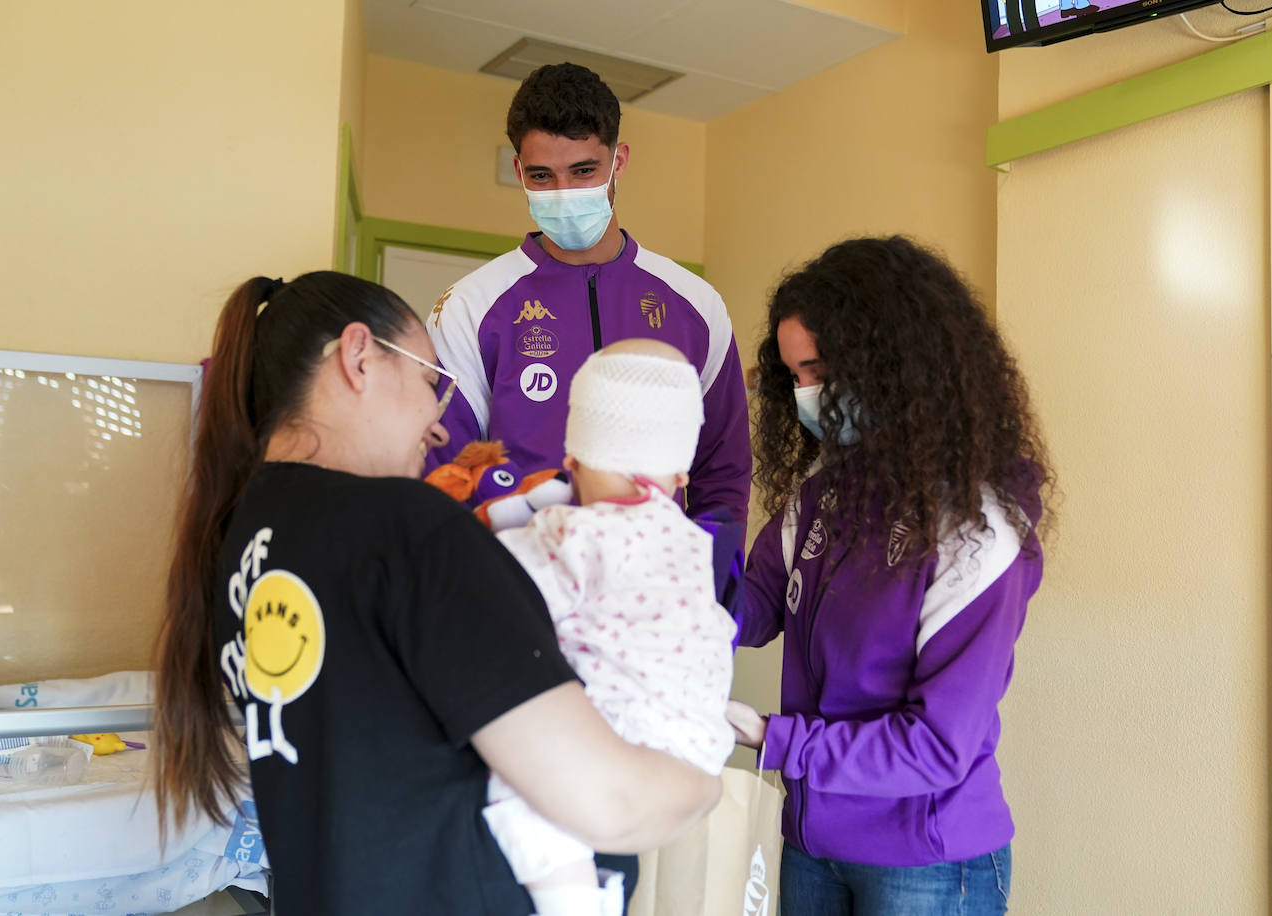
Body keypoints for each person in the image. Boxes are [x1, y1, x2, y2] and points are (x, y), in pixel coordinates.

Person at [151, 271, 720, 916]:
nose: (441, 427)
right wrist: (704, 781)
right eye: (431, 382)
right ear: (359, 356)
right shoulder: (407, 528)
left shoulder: (246, 534)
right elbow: (608, 801)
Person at [724, 237, 1055, 915]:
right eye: (794, 376)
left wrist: (770, 737)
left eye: (819, 370)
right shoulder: (824, 488)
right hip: (810, 842)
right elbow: (755, 601)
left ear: (895, 364)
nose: (807, 395)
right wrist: (667, 597)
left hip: (924, 859)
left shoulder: (977, 530)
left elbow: (935, 748)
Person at [426, 62, 751, 529]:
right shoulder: (470, 307)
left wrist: (711, 569)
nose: (564, 193)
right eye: (542, 176)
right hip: (515, 567)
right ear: (519, 171)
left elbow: (722, 473)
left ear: (618, 161)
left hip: (655, 571)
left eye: (583, 171)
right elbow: (446, 473)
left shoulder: (696, 306)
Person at [486, 339, 737, 915]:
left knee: (515, 789)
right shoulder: (693, 543)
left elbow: (503, 585)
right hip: (699, 739)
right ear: (681, 472)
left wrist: (503, 523)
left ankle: (572, 901)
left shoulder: (573, 532)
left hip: (618, 733)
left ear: (572, 460)